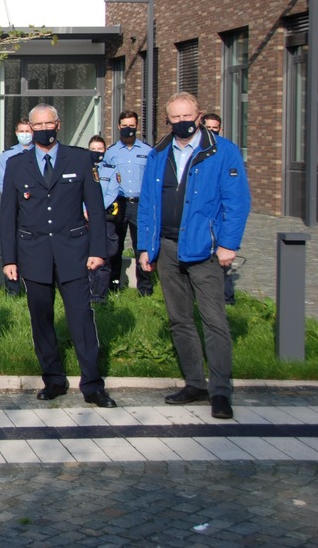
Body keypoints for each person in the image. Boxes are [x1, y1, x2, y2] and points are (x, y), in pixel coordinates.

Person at [138, 93, 250, 420]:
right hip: (168, 246)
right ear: (168, 119)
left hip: (205, 248)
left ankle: (220, 390)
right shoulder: (159, 153)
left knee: (214, 320)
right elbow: (147, 204)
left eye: (188, 116)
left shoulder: (222, 151)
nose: (182, 122)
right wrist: (147, 246)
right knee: (180, 319)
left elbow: (237, 202)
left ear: (198, 115)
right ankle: (194, 382)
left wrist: (228, 244)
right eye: (175, 118)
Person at [0, 103, 116, 408]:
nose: (42, 130)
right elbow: (9, 216)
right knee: (42, 320)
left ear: (58, 124)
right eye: (35, 127)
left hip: (74, 252)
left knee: (81, 318)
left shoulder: (79, 159)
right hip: (34, 253)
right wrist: (9, 260)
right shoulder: (16, 164)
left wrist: (98, 250)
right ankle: (53, 379)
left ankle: (92, 384)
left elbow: (96, 207)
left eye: (47, 124)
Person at [104, 110, 154, 295]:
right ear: (118, 127)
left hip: (140, 204)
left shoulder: (148, 151)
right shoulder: (111, 153)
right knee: (115, 246)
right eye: (124, 126)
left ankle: (145, 289)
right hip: (119, 203)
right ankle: (113, 284)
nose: (128, 129)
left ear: (137, 126)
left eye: (131, 126)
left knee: (141, 246)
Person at [200, 113, 237, 304]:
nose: (213, 131)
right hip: (205, 215)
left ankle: (227, 298)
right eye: (209, 128)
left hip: (221, 215)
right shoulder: (199, 150)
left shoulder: (227, 151)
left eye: (216, 128)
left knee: (223, 260)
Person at [0, 118, 34, 295]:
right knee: (12, 244)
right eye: (22, 131)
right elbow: (4, 184)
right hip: (15, 206)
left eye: (28, 131)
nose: (25, 134)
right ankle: (12, 288)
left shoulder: (39, 153)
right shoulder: (8, 155)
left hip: (35, 207)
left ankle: (32, 285)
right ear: (16, 132)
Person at [86, 136, 121, 305]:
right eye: (93, 149)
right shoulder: (83, 169)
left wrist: (95, 210)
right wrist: (85, 211)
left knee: (104, 257)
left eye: (100, 149)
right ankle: (87, 292)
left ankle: (100, 295)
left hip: (104, 219)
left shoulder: (111, 170)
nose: (96, 152)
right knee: (86, 257)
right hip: (84, 218)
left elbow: (112, 193)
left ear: (105, 151)